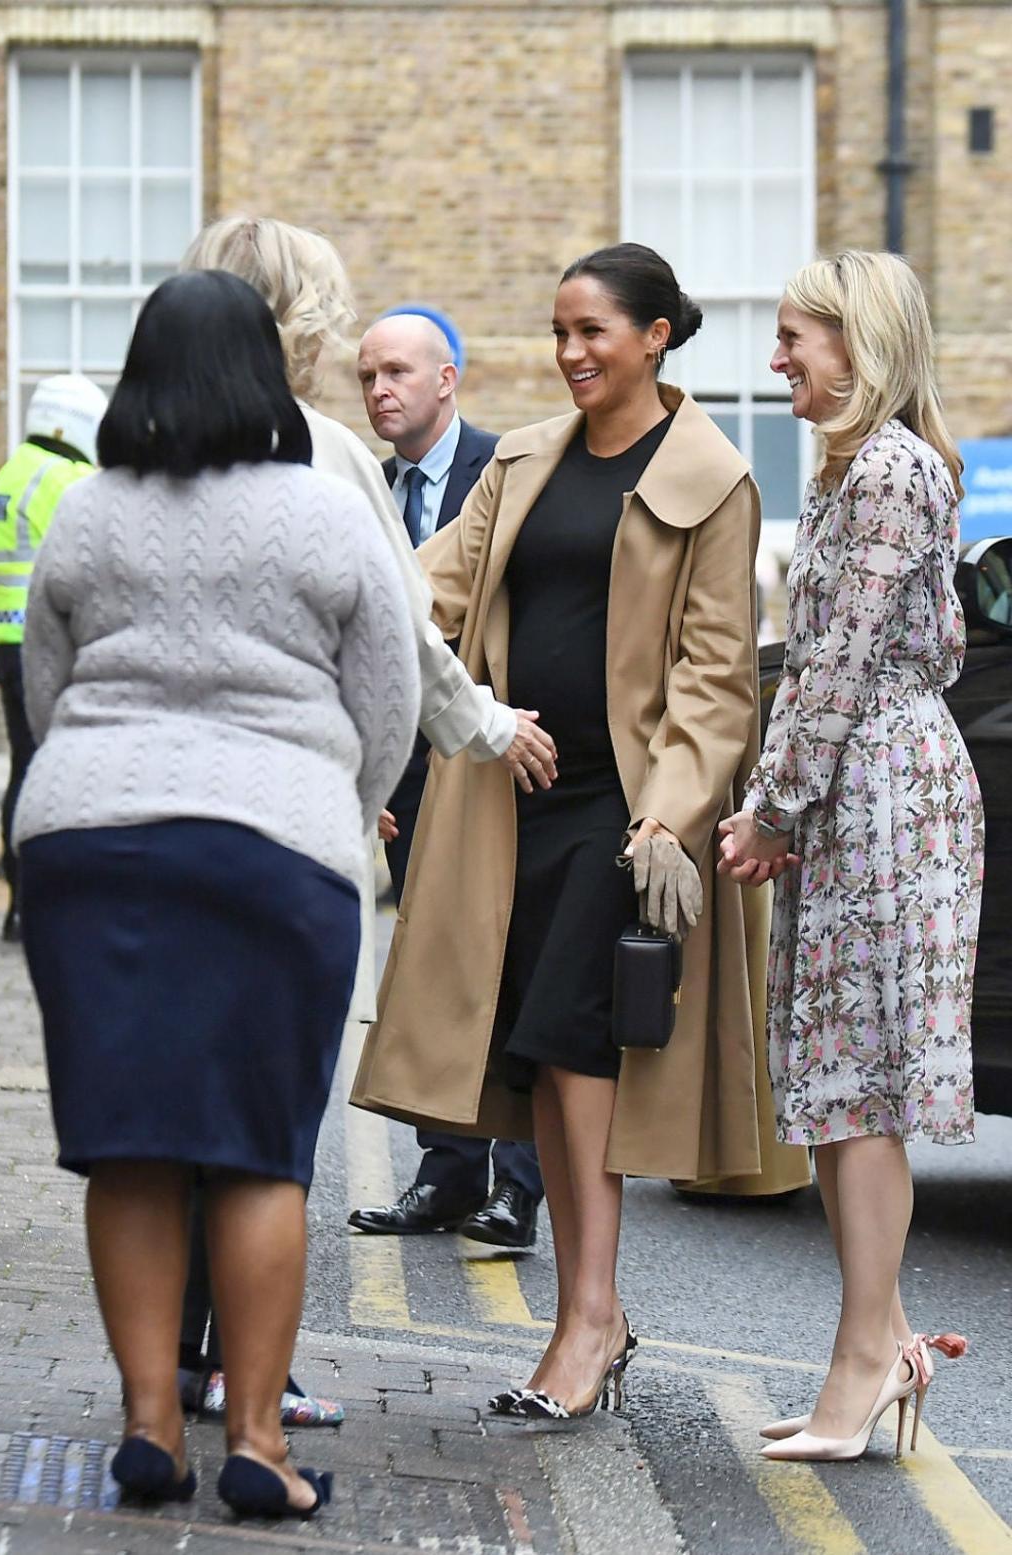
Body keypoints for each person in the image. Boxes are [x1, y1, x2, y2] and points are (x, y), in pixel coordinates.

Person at [15, 269, 420, 1517]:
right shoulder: (328, 512)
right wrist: (329, 814)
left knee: (129, 1143)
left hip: (89, 843)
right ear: (265, 375)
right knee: (256, 1154)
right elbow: (389, 703)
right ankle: (257, 1443)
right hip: (271, 848)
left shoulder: (84, 511)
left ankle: (150, 1427)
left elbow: (47, 684)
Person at [353, 242, 781, 1418]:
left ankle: (588, 1314)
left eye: (593, 330)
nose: (570, 353)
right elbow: (422, 592)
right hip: (514, 800)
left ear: (654, 336)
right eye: (558, 332)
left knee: (578, 1042)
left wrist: (669, 817)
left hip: (624, 812)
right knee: (540, 1050)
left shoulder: (712, 477)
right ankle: (594, 1312)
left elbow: (715, 678)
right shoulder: (525, 461)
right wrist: (456, 718)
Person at [175, 217, 555, 1406]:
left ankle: (167, 1375)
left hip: (145, 823)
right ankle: (250, 1385)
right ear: (296, 324)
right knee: (271, 1120)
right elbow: (402, 653)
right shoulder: (323, 452)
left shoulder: (137, 451)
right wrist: (469, 741)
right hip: (285, 827)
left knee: (173, 1112)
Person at [719, 250, 981, 1463]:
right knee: (834, 1084)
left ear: (858, 341)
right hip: (858, 789)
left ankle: (864, 1362)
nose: (776, 360)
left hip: (882, 794)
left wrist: (773, 807)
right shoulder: (857, 470)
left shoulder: (885, 471)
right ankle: (888, 1345)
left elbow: (831, 671)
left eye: (795, 338)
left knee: (857, 1084)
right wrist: (787, 804)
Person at [348, 311, 543, 1252]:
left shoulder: (509, 471)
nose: (379, 389)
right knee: (426, 966)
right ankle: (447, 1170)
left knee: (507, 968)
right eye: (366, 376)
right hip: (416, 773)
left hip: (496, 759)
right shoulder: (368, 489)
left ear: (447, 379)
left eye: (396, 372)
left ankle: (520, 1187)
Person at [0, 375, 107, 941]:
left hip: (0, 643)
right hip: (49, 643)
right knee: (58, 768)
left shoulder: (8, 475)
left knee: (25, 763)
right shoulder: (70, 479)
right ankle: (46, 897)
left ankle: (18, 898)